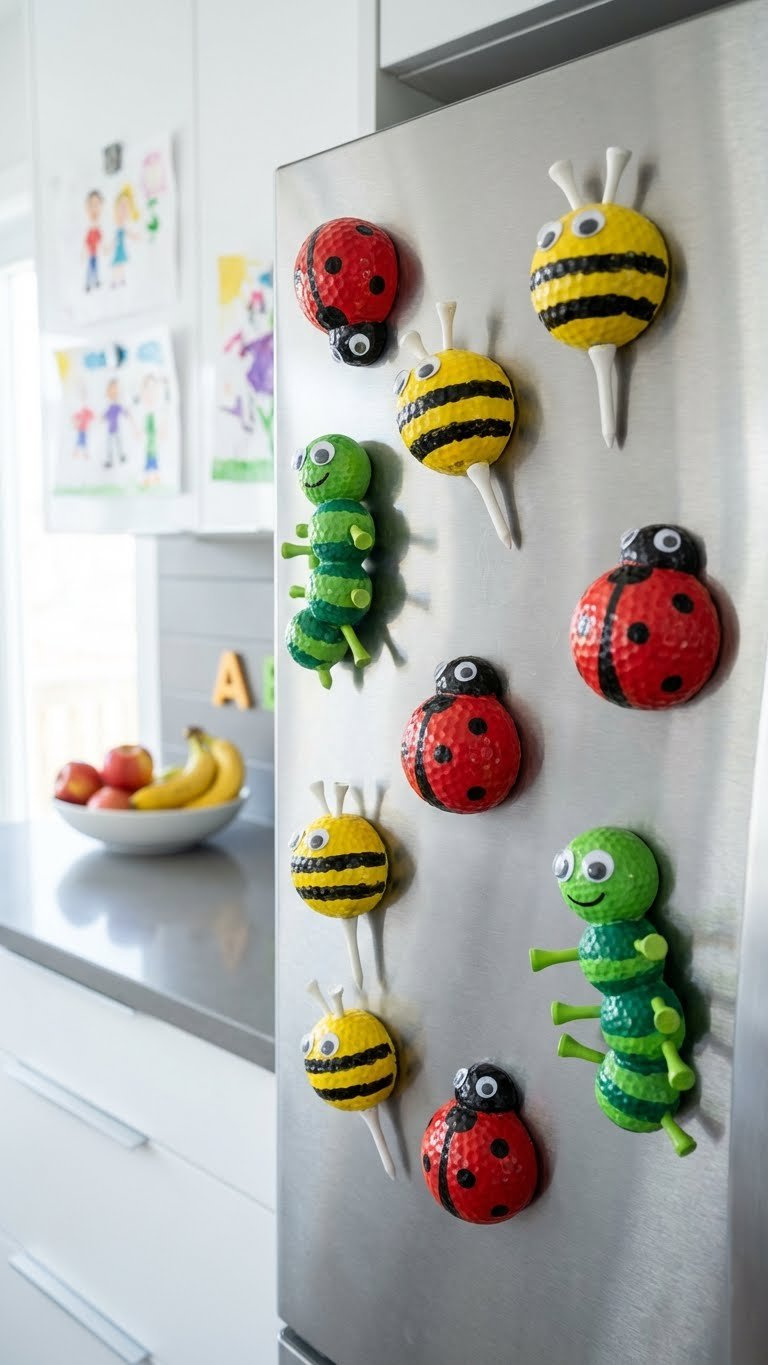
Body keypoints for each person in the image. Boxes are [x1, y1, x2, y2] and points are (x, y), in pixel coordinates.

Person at [110, 186, 139, 287]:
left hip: (121, 248)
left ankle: (121, 279)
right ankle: (115, 280)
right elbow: (114, 238)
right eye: (122, 206)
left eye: (126, 207)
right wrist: (110, 246)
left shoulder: (124, 226)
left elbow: (129, 234)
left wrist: (135, 236)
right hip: (118, 248)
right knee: (116, 264)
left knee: (120, 265)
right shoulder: (116, 226)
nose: (124, 209)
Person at [101, 378, 131, 467]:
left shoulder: (117, 405)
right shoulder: (110, 406)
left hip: (116, 428)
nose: (114, 393)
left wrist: (126, 413)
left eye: (116, 391)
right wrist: (103, 418)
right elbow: (106, 414)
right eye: (112, 391)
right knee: (110, 444)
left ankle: (121, 456)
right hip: (111, 429)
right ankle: (110, 460)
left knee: (119, 442)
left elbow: (123, 411)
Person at [83, 190, 103, 291]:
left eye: (97, 204)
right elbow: (87, 241)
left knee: (95, 268)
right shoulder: (88, 228)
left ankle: (95, 281)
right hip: (91, 253)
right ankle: (89, 282)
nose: (94, 208)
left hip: (95, 253)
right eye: (92, 204)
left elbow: (100, 238)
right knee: (90, 268)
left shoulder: (98, 226)